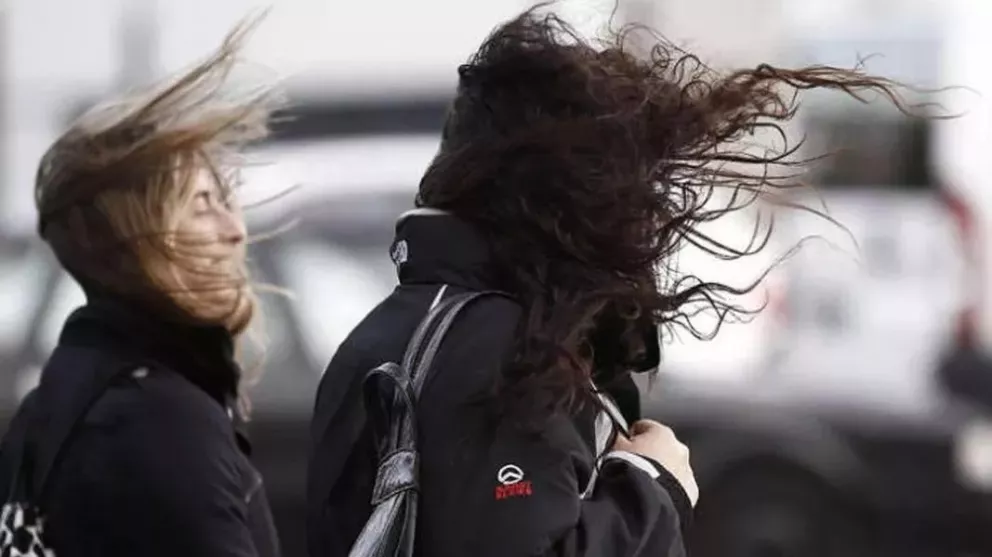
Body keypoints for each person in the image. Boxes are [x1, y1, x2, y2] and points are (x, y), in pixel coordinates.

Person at [307, 7, 914, 557]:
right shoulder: (494, 346)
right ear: (565, 196)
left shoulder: (399, 327)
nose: (645, 215)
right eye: (623, 185)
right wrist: (650, 487)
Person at [0, 16, 282, 557]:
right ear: (137, 243)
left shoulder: (53, 406)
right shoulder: (161, 423)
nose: (236, 230)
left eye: (227, 203)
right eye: (203, 207)